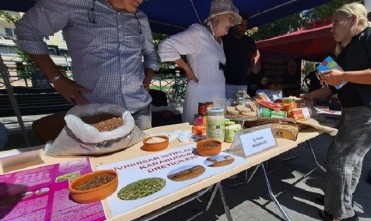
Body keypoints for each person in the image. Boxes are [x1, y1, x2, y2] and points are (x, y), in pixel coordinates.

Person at [303, 3, 371, 221]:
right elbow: (336, 83)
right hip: (359, 108)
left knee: (340, 156)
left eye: (335, 21)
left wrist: (343, 75)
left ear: (353, 19)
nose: (331, 27)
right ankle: (339, 200)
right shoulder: (347, 48)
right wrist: (315, 93)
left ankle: (337, 211)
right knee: (351, 156)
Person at [15, 0, 159, 130]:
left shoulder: (140, 18)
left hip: (140, 110)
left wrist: (149, 74)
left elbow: (151, 54)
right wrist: (57, 79)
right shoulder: (72, 3)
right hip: (95, 113)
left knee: (144, 158)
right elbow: (28, 31)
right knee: (103, 159)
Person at [158, 0, 241, 123]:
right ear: (217, 16)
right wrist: (187, 70)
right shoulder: (199, 33)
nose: (231, 24)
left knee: (216, 138)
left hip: (218, 99)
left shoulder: (220, 42)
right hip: (200, 99)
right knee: (198, 136)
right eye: (230, 18)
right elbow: (165, 46)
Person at [222, 12, 258, 99]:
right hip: (227, 83)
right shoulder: (225, 39)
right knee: (227, 110)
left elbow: (256, 54)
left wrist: (251, 68)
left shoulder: (249, 41)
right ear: (234, 24)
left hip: (243, 84)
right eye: (241, 25)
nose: (244, 28)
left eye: (246, 26)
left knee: (241, 109)